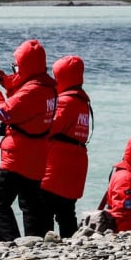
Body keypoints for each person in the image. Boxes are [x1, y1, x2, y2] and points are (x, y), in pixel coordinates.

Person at [0, 38, 57, 241]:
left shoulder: (32, 91)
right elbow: (25, 89)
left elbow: (4, 111)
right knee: (30, 204)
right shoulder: (47, 86)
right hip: (37, 155)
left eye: (16, 65)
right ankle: (34, 242)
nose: (14, 68)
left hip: (18, 157)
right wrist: (4, 80)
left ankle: (9, 244)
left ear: (25, 65)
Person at [40, 55, 92, 237]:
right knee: (66, 212)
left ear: (63, 77)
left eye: (56, 75)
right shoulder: (82, 102)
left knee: (44, 211)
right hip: (77, 165)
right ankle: (70, 243)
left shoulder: (65, 102)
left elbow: (46, 127)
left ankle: (43, 247)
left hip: (58, 166)